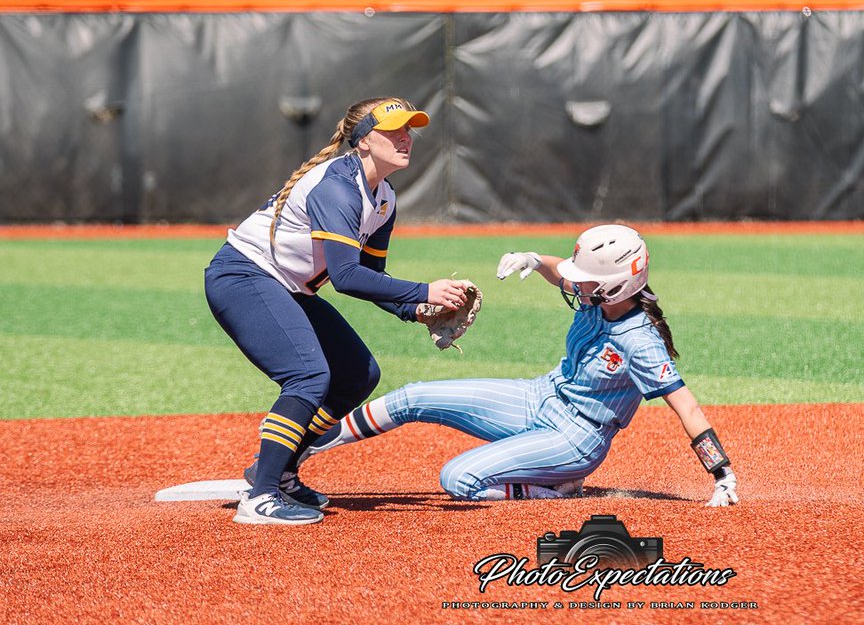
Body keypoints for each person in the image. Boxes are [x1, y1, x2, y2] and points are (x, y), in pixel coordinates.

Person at [295, 224, 739, 507]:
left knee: (459, 479)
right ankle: (305, 448)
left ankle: (554, 490)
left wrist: (721, 474)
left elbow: (688, 408)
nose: (575, 284)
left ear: (616, 285)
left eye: (586, 280)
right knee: (414, 396)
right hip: (539, 396)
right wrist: (531, 258)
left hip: (575, 437)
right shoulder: (602, 296)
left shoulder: (639, 341)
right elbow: (556, 270)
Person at [204, 97, 473, 526]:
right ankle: (261, 496)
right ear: (364, 141)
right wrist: (426, 288)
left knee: (358, 374)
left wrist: (415, 309)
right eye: (393, 131)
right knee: (309, 375)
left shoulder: (383, 198)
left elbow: (370, 275)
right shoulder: (338, 185)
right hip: (244, 277)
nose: (406, 138)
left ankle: (279, 471)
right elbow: (346, 277)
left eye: (409, 130)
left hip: (287, 287)